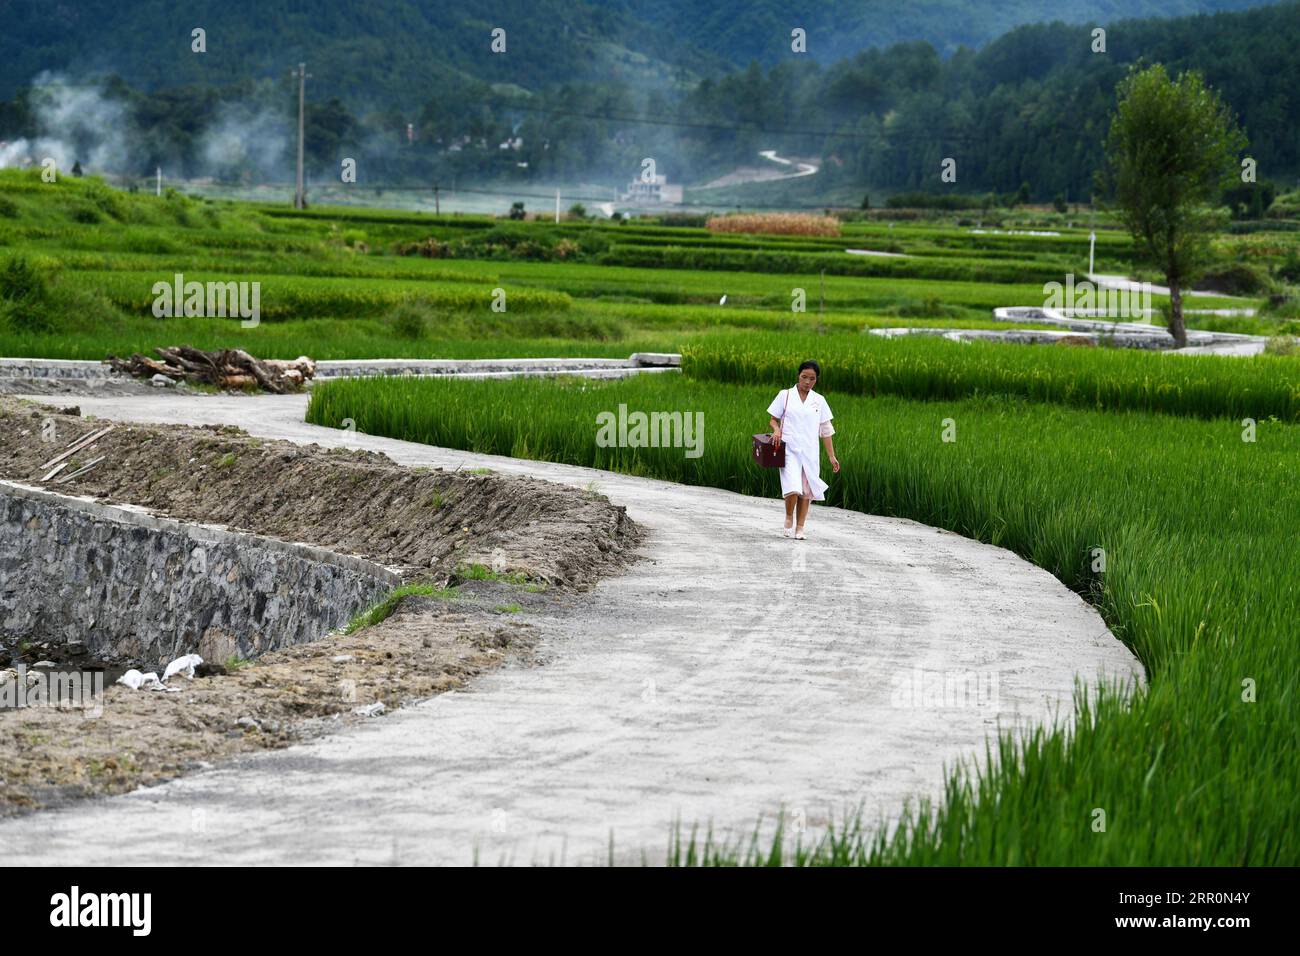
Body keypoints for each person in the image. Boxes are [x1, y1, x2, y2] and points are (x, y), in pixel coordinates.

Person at [767, 360, 840, 540]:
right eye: (804, 377)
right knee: (792, 487)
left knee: (806, 491)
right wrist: (776, 430)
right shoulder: (785, 395)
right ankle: (788, 516)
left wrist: (831, 456)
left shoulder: (819, 400)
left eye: (812, 379)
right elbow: (773, 419)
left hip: (809, 451)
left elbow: (826, 430)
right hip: (789, 449)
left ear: (816, 380)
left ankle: (800, 528)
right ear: (798, 376)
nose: (807, 382)